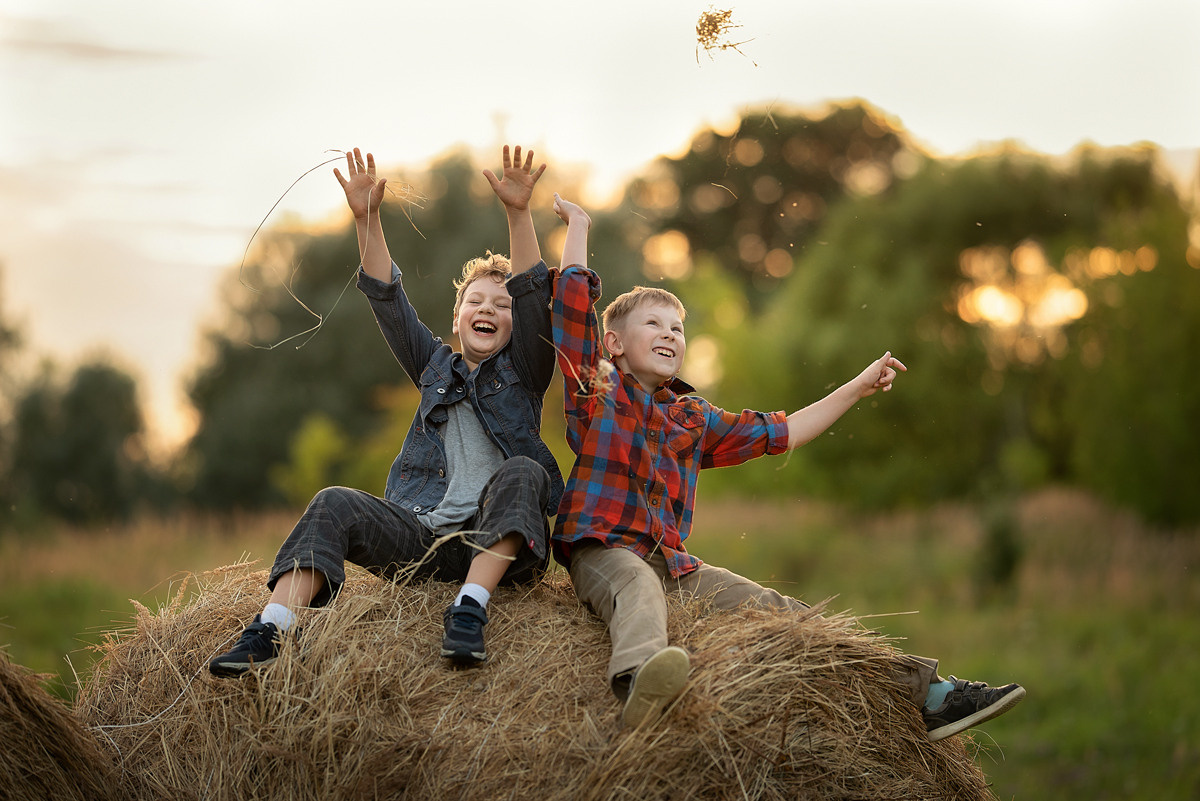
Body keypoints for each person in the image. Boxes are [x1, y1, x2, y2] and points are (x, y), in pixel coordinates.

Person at [547, 192, 1025, 740]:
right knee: (635, 586)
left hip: (675, 565)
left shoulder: (694, 418)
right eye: (654, 324)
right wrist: (579, 226)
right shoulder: (598, 388)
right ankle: (639, 684)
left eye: (678, 329)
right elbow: (572, 312)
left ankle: (927, 695)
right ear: (614, 344)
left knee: (786, 612)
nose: (670, 335)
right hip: (603, 550)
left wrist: (857, 387)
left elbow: (785, 431)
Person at [209, 144, 563, 675]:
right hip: (423, 540)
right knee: (333, 502)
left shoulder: (527, 371)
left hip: (499, 544)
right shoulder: (433, 367)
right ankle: (272, 628)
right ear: (457, 314)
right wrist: (367, 219)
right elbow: (388, 299)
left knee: (523, 471)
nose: (488, 308)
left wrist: (518, 213)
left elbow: (534, 295)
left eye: (501, 304)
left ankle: (469, 610)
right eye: (476, 301)